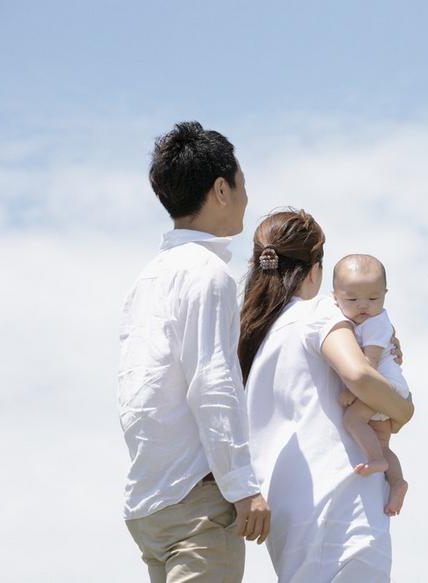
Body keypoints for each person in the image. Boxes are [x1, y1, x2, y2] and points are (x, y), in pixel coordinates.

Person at [118, 121, 270, 583]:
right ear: (221, 189)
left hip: (151, 501)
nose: (246, 197)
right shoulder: (208, 273)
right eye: (242, 184)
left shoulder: (147, 278)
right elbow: (212, 381)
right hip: (195, 500)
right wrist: (242, 486)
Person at [239, 209, 414, 583]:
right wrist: (404, 409)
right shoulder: (318, 312)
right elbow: (358, 375)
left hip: (293, 524)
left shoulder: (256, 342)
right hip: (344, 516)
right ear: (314, 270)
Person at [333, 254, 410, 517]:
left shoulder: (376, 323)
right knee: (382, 443)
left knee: (352, 420)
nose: (363, 305)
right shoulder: (360, 321)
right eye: (352, 300)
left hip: (384, 387)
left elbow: (369, 364)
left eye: (373, 298)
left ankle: (375, 460)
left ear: (385, 295)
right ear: (335, 296)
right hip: (383, 389)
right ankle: (397, 483)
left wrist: (351, 392)